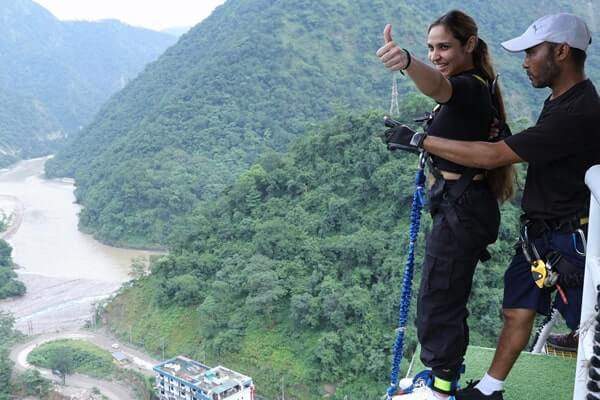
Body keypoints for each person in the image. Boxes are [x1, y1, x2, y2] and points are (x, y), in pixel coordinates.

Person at [382, 13, 600, 400]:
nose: (525, 61)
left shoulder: (578, 112)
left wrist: (421, 138)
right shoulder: (561, 100)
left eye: (532, 52)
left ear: (562, 52)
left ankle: (441, 385)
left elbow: (492, 152)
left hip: (568, 238)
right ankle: (489, 388)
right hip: (542, 232)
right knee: (516, 310)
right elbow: (533, 149)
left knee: (443, 294)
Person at [377, 10, 515, 400]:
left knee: (440, 297)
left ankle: (440, 389)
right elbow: (443, 92)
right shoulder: (474, 85)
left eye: (444, 47)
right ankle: (441, 378)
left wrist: (406, 61)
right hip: (461, 205)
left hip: (462, 207)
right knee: (443, 293)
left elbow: (439, 87)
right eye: (430, 48)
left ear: (469, 45)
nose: (436, 54)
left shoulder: (467, 86)